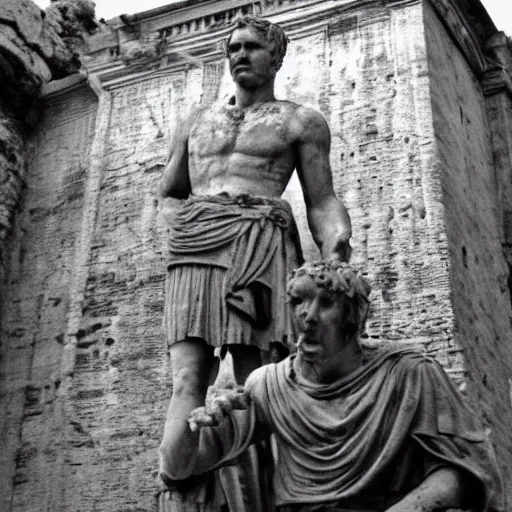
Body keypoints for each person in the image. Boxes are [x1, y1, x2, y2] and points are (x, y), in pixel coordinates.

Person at [160, 261, 505, 512]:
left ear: (354, 318)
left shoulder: (409, 374)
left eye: (326, 304)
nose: (307, 316)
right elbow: (179, 467)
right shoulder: (268, 385)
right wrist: (193, 426)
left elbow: (467, 471)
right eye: (298, 302)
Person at [158, 15, 351, 385]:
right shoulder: (196, 120)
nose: (240, 55)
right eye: (234, 48)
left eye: (252, 47)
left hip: (257, 244)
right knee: (186, 378)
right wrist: (184, 225)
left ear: (276, 57)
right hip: (196, 246)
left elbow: (322, 200)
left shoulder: (299, 121)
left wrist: (337, 246)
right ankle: (181, 445)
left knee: (260, 370)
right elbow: (169, 193)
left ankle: (263, 441)